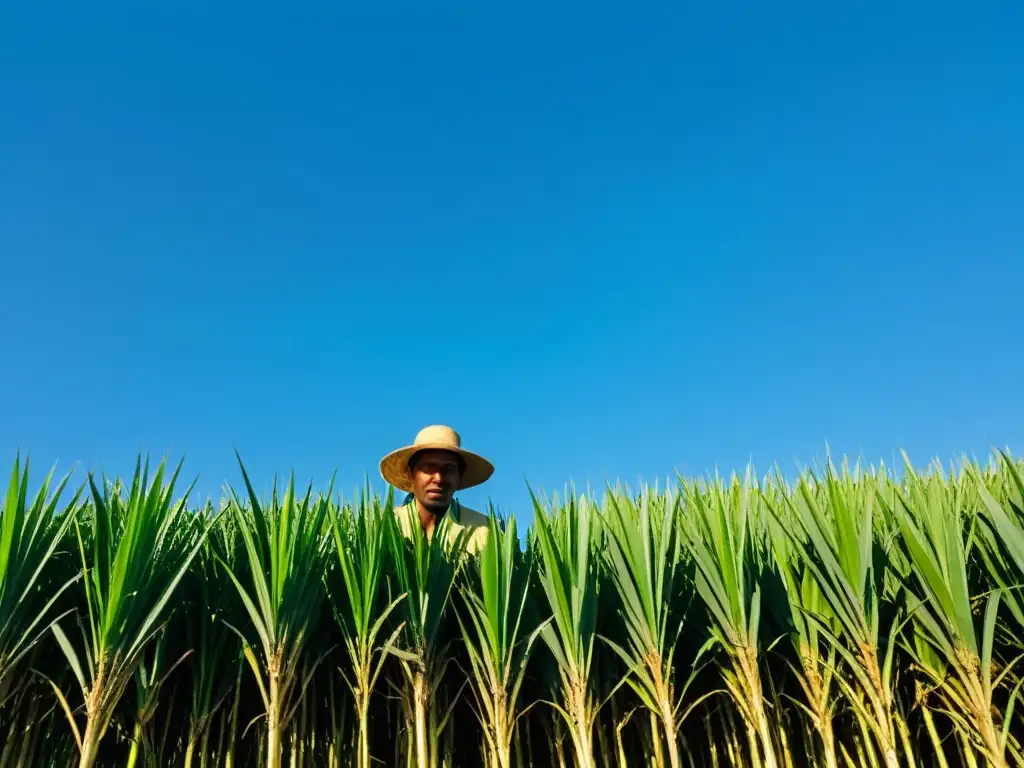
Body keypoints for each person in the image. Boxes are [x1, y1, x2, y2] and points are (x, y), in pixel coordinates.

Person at [379, 424, 493, 555]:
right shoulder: (384, 525)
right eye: (428, 467)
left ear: (459, 478)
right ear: (411, 475)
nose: (438, 478)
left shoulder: (485, 530)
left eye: (449, 469)